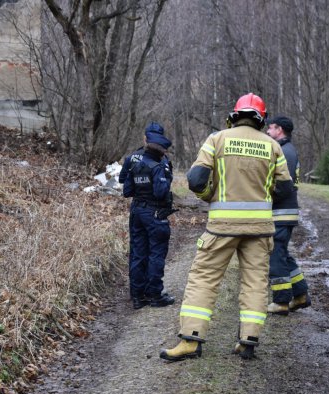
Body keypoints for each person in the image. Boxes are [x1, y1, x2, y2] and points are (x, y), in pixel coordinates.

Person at [159, 93, 294, 361]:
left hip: (221, 228)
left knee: (204, 279)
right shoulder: (272, 146)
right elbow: (286, 188)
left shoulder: (217, 139)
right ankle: (248, 342)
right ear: (261, 118)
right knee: (255, 283)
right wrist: (263, 196)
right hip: (260, 230)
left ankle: (190, 340)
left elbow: (196, 179)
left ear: (234, 114)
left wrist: (210, 194)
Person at [122, 122, 177, 309]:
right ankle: (154, 294)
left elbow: (126, 190)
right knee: (156, 253)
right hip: (154, 213)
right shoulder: (159, 165)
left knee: (138, 253)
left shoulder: (133, 163)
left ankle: (137, 296)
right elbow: (162, 192)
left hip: (137, 211)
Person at [264, 116, 311, 316]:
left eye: (271, 128)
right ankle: (300, 295)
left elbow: (283, 186)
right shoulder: (287, 149)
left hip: (281, 212)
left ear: (280, 130)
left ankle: (281, 301)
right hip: (284, 212)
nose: (267, 131)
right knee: (282, 253)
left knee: (275, 254)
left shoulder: (284, 151)